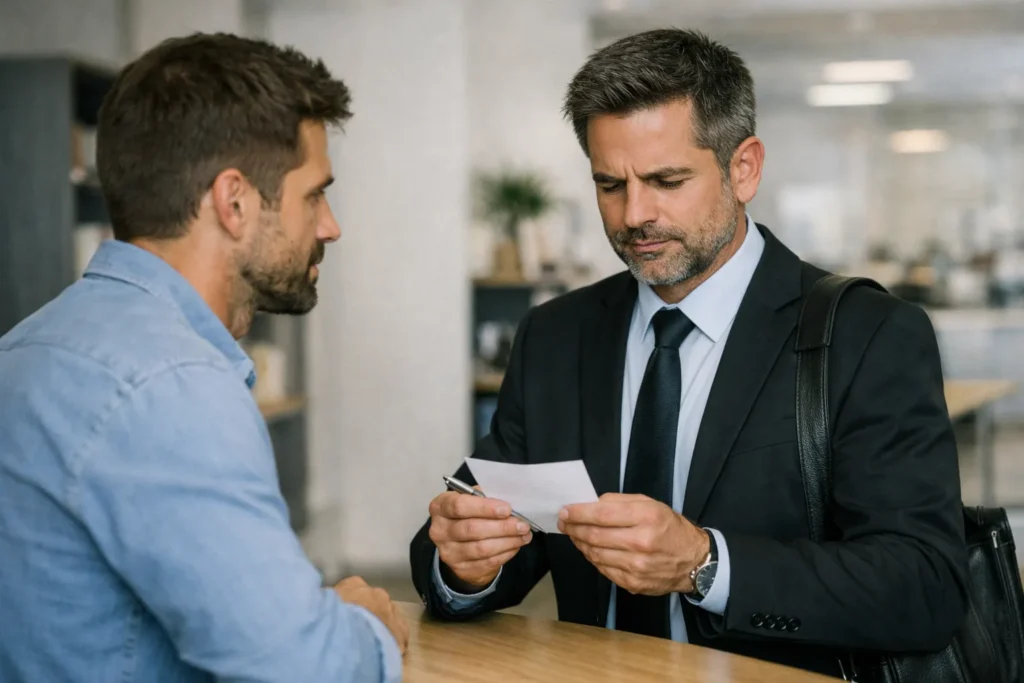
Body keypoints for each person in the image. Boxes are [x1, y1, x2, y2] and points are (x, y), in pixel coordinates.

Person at [410, 28, 968, 677]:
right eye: (609, 184)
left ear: (744, 167)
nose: (634, 214)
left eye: (666, 180)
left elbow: (925, 586)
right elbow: (472, 539)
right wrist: (465, 563)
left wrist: (707, 564)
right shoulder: (555, 336)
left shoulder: (868, 335)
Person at [0, 33, 406, 683]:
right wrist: (359, 625)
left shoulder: (22, 350)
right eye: (314, 194)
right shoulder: (173, 388)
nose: (330, 225)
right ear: (234, 201)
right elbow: (307, 669)